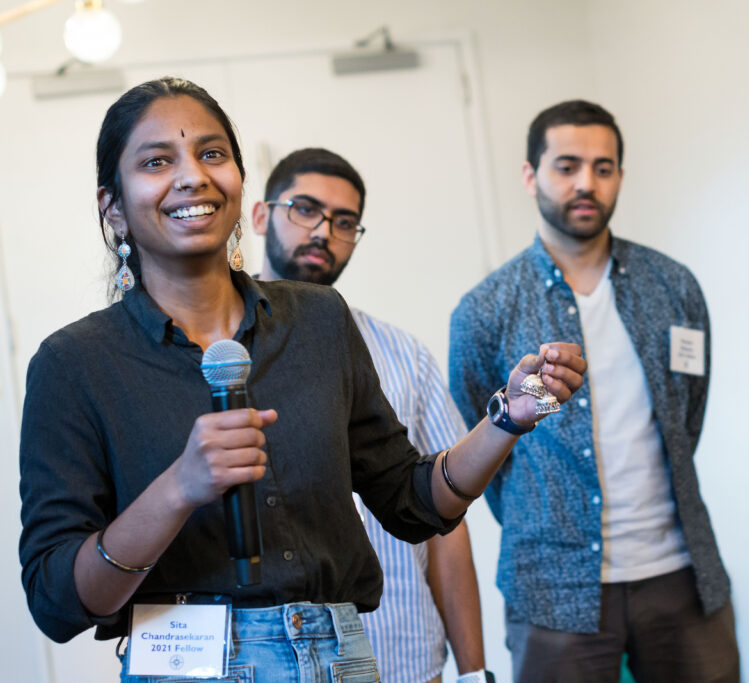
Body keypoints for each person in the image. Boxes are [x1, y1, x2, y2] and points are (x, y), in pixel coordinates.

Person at [18, 77, 584, 682]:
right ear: (113, 206)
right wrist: (178, 488)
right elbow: (57, 600)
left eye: (212, 154)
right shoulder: (75, 363)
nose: (192, 176)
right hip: (183, 664)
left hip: (337, 658)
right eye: (157, 161)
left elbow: (411, 503)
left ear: (238, 182)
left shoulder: (318, 319)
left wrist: (510, 419)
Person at [448, 100, 739, 683]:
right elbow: (488, 451)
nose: (586, 183)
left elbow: (689, 417)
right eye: (567, 165)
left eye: (603, 168)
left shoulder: (673, 286)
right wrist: (545, 517)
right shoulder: (486, 310)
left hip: (682, 573)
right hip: (552, 586)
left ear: (620, 178)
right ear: (531, 175)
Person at [250, 147, 492, 683]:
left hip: (404, 654)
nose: (322, 232)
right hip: (273, 664)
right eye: (305, 209)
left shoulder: (403, 355)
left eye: (343, 222)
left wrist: (474, 673)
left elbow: (446, 524)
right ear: (261, 216)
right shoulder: (217, 355)